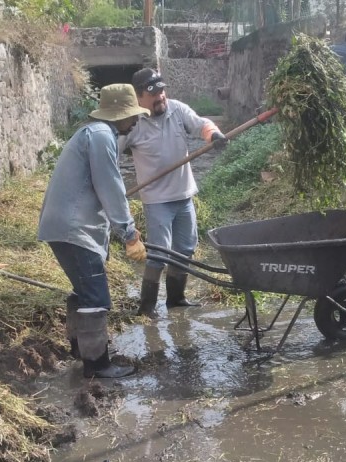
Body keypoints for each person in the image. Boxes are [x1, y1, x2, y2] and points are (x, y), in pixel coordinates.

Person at [38, 84, 149, 379]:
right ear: (119, 114)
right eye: (132, 115)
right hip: (75, 229)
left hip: (65, 226)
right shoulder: (101, 137)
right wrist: (129, 233)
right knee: (97, 297)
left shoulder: (93, 133)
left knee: (85, 290)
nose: (136, 120)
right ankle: (97, 364)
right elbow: (110, 187)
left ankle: (79, 349)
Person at [120, 68, 228, 318]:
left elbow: (201, 124)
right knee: (158, 253)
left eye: (162, 91)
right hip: (157, 200)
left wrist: (213, 135)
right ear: (138, 97)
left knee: (185, 249)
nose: (160, 97)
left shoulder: (177, 109)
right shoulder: (133, 122)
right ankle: (146, 308)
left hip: (183, 195)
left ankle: (176, 299)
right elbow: (111, 152)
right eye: (153, 94)